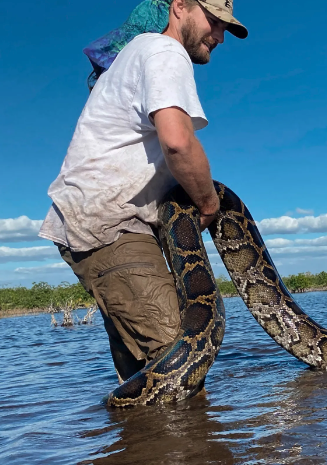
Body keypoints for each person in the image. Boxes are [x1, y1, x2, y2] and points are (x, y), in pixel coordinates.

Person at [38, 0, 248, 383]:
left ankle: (134, 442)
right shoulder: (164, 50)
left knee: (141, 373)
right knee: (179, 355)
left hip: (99, 222)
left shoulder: (137, 55)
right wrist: (207, 204)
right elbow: (178, 142)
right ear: (180, 7)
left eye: (226, 29)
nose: (219, 36)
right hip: (113, 226)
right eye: (214, 22)